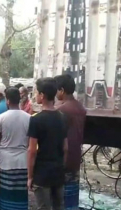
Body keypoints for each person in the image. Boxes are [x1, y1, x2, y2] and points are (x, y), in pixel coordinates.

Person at [27, 78, 68, 210]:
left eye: (36, 93)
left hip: (42, 174)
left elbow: (32, 151)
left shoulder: (36, 120)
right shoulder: (62, 117)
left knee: (43, 207)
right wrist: (62, 167)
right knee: (59, 206)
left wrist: (30, 176)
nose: (35, 96)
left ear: (42, 95)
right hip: (58, 172)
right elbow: (65, 148)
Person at [0, 87, 30, 210]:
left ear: (7, 100)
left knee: (6, 192)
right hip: (23, 161)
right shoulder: (28, 118)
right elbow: (30, 140)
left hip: (6, 161)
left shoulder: (1, 118)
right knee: (20, 193)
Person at [55, 74, 86, 210]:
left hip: (64, 157)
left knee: (61, 198)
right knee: (72, 197)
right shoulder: (80, 107)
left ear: (61, 90)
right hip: (75, 156)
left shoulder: (62, 110)